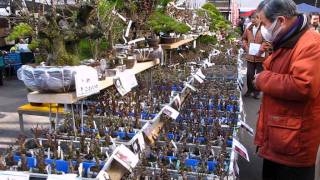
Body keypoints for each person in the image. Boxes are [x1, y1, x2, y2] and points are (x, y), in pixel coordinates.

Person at [253, 0, 320, 179]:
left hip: (293, 141)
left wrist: (263, 78)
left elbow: (303, 85)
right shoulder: (289, 38)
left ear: (281, 20)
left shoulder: (310, 42)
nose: (263, 28)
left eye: (264, 23)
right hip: (281, 133)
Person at [242, 12, 269, 99]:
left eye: (254, 18)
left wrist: (260, 50)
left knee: (259, 75)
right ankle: (250, 90)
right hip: (250, 55)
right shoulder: (248, 29)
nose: (252, 20)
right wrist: (246, 47)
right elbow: (244, 39)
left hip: (260, 57)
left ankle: (257, 91)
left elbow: (267, 41)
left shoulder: (264, 29)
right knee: (249, 74)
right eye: (251, 18)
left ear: (259, 19)